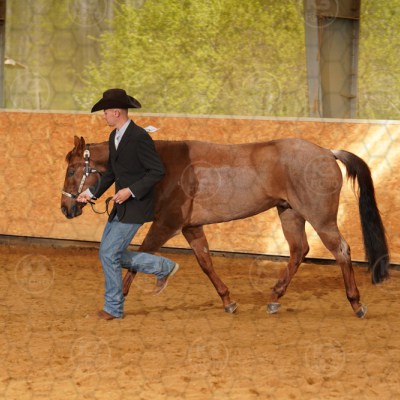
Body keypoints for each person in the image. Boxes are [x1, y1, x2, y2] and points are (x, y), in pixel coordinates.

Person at [77, 88, 179, 320]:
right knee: (108, 254)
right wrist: (90, 192)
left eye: (105, 112)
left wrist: (130, 191)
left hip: (136, 205)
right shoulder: (114, 137)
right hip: (120, 206)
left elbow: (157, 171)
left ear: (116, 112)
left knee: (109, 254)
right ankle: (162, 267)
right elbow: (113, 172)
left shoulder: (140, 137)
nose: (104, 115)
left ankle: (113, 307)